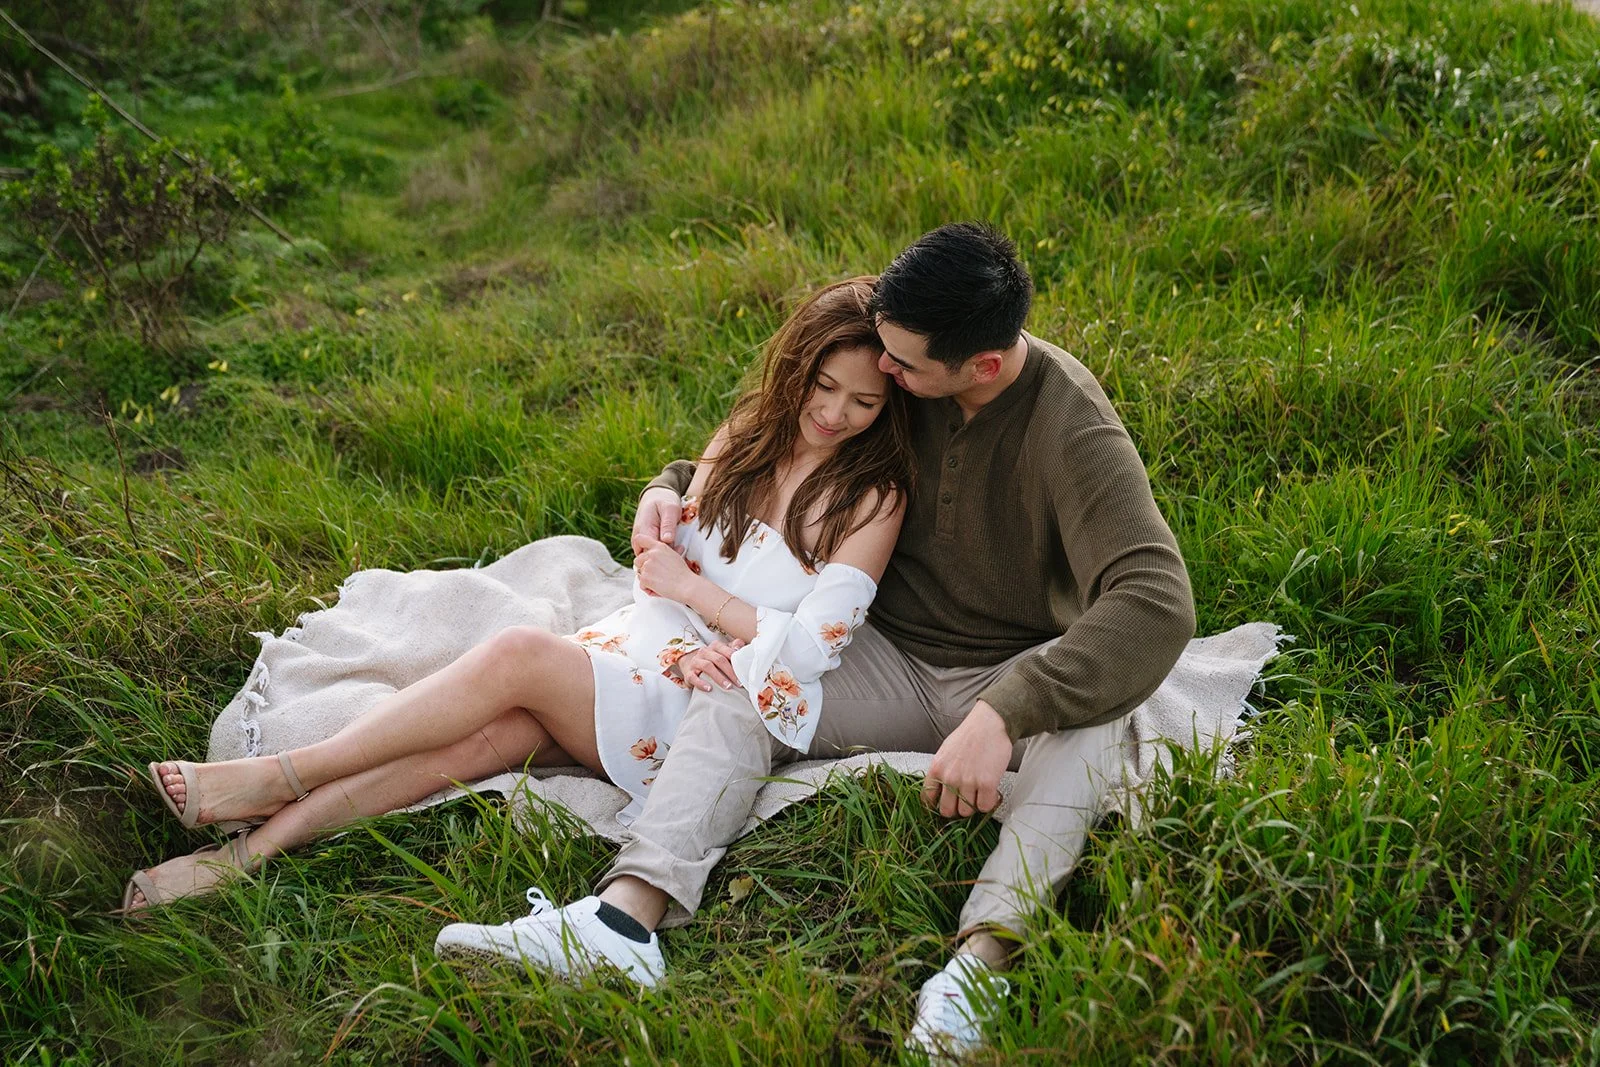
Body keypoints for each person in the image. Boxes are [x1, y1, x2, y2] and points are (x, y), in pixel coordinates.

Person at [432, 223, 1195, 1060]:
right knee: (750, 677)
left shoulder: (1073, 429)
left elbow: (1156, 599)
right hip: (883, 654)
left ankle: (976, 973)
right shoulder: (904, 360)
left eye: (902, 365)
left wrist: (1009, 710)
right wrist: (669, 484)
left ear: (980, 366)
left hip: (1011, 664)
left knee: (1097, 720)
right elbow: (774, 431)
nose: (885, 373)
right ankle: (622, 923)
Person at [125, 277, 914, 949]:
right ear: (794, 367)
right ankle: (250, 852)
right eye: (823, 385)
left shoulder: (872, 498)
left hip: (707, 699)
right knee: (478, 740)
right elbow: (661, 564)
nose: (835, 412)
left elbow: (810, 647)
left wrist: (696, 603)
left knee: (517, 655)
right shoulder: (747, 433)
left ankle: (279, 773)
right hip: (647, 645)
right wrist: (666, 562)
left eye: (863, 401)